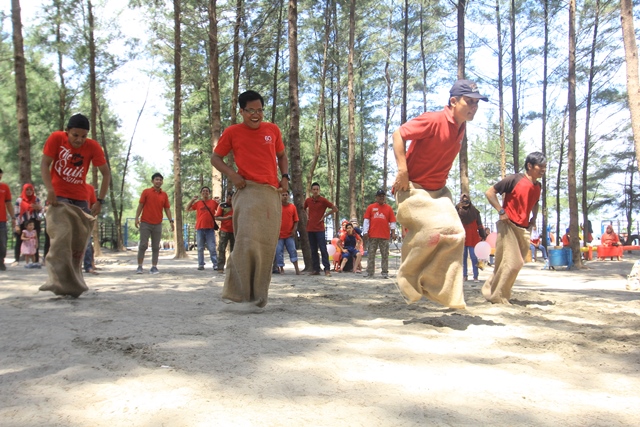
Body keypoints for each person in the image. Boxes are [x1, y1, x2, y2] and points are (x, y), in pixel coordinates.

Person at [391, 79, 488, 309]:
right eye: (470, 102)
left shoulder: (461, 126)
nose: (474, 107)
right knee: (433, 231)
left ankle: (444, 292)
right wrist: (402, 170)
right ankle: (406, 277)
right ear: (453, 101)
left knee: (457, 234)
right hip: (413, 189)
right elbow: (398, 134)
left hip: (440, 192)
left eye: (477, 103)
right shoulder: (434, 120)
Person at [211, 90, 289, 308]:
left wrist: (285, 177)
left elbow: (281, 156)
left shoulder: (272, 130)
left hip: (270, 194)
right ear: (242, 111)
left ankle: (258, 297)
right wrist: (233, 175)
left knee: (265, 246)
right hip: (246, 191)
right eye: (251, 111)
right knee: (245, 242)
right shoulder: (233, 132)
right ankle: (238, 295)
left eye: (260, 110)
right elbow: (215, 157)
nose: (256, 115)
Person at [483, 151, 546, 304]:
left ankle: (490, 290)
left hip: (524, 228)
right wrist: (501, 211)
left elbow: (535, 202)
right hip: (508, 225)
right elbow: (490, 192)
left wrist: (534, 218)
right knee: (513, 263)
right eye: (540, 166)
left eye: (545, 166)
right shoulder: (514, 179)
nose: (543, 169)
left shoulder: (538, 186)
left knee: (508, 264)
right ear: (530, 166)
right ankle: (499, 297)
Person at [41, 113, 110, 216]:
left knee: (82, 229)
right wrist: (50, 190)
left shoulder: (93, 147)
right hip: (58, 194)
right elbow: (44, 164)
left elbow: (106, 173)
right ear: (67, 131)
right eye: (75, 135)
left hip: (80, 196)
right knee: (64, 225)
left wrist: (100, 201)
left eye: (84, 136)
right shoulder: (56, 138)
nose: (79, 140)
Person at [134, 172, 175, 274]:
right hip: (145, 223)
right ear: (152, 181)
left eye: (160, 180)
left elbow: (167, 209)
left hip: (157, 223)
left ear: (162, 182)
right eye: (156, 179)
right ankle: (140, 266)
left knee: (156, 246)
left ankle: (154, 266)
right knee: (143, 245)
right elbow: (140, 205)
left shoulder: (164, 195)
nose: (158, 181)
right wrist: (136, 218)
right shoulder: (146, 192)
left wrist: (171, 221)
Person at [304, 182, 338, 276]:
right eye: (313, 189)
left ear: (319, 190)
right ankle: (316, 269)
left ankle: (327, 269)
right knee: (313, 250)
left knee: (323, 249)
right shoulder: (308, 200)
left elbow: (335, 209)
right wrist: (307, 216)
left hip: (320, 229)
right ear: (311, 190)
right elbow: (303, 208)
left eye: (317, 189)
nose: (315, 191)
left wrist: (325, 215)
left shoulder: (323, 200)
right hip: (310, 228)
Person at [363, 189, 397, 279]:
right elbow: (366, 220)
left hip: (384, 236)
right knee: (371, 254)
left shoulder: (389, 208)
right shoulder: (370, 207)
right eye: (380, 196)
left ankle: (385, 272)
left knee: (385, 255)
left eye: (383, 196)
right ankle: (369, 272)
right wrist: (365, 232)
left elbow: (393, 221)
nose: (382, 197)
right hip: (372, 235)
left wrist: (393, 233)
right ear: (376, 197)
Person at [186, 186, 219, 271]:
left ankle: (215, 264)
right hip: (200, 228)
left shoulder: (213, 202)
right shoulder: (198, 203)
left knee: (212, 247)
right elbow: (187, 209)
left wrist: (218, 202)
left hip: (210, 228)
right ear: (201, 193)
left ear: (209, 193)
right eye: (203, 191)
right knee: (200, 248)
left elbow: (220, 210)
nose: (205, 192)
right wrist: (193, 200)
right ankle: (201, 264)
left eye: (207, 191)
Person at [456, 193, 486, 282]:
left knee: (474, 257)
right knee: (463, 257)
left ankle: (475, 276)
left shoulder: (475, 212)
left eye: (466, 199)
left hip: (473, 237)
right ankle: (464, 276)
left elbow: (479, 225)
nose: (465, 201)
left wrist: (483, 235)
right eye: (463, 200)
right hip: (462, 237)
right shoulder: (457, 211)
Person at [13, 183, 43, 266]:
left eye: (30, 189)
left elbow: (41, 212)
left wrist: (39, 209)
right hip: (23, 222)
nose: (29, 191)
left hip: (34, 222)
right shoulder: (19, 200)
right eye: (27, 190)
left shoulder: (36, 199)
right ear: (24, 190)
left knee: (35, 240)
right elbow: (16, 213)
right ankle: (16, 259)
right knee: (19, 239)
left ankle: (35, 260)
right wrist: (17, 225)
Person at [276, 191, 300, 275]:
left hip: (289, 234)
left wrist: (294, 230)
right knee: (279, 252)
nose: (285, 196)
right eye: (283, 195)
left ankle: (297, 269)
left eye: (286, 195)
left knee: (293, 250)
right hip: (279, 235)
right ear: (280, 196)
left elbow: (296, 220)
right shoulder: (277, 207)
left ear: (289, 196)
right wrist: (276, 232)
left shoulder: (292, 207)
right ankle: (281, 269)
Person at [215, 190, 235, 273]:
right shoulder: (222, 205)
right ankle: (220, 267)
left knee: (234, 250)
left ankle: (233, 267)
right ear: (227, 198)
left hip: (234, 231)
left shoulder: (237, 205)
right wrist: (226, 218)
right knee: (222, 249)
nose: (231, 201)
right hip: (224, 230)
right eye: (230, 199)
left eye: (232, 199)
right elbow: (217, 217)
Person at [0, 169, 16, 271]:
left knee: (2, 242)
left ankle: (1, 260)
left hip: (2, 220)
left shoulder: (5, 187)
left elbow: (9, 203)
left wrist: (13, 217)